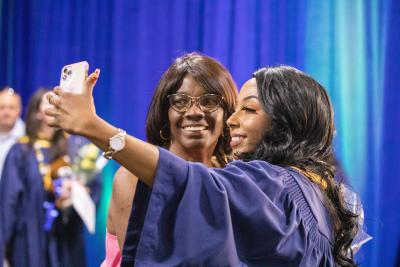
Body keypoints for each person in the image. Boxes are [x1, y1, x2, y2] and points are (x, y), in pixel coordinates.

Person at [46, 65, 361, 266]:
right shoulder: (311, 190)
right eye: (180, 102)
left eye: (248, 109)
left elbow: (194, 183)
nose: (232, 120)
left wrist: (93, 127)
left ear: (286, 122)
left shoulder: (272, 185)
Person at [102, 53, 238, 266]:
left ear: (228, 113)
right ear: (164, 115)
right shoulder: (133, 178)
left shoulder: (232, 176)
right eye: (181, 102)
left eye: (209, 101)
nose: (194, 112)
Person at [0, 89, 101, 267]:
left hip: (66, 240)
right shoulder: (21, 152)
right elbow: (8, 203)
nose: (55, 107)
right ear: (37, 112)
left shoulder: (75, 149)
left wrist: (75, 197)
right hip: (31, 238)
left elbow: (94, 190)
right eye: (49, 102)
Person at [0, 87, 25, 177]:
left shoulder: (28, 137)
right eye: (2, 107)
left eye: (11, 107)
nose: (6, 112)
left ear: (19, 109)